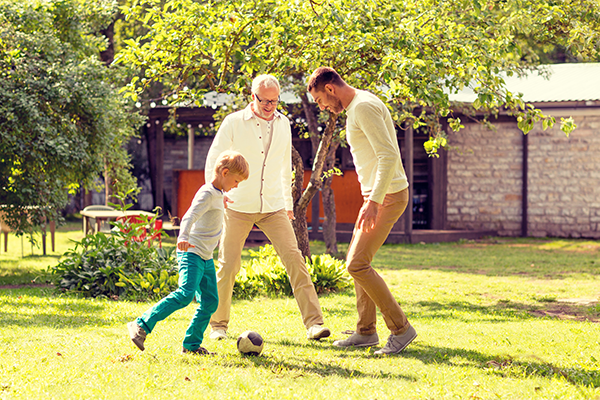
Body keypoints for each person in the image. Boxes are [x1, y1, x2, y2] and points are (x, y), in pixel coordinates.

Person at [205, 74, 330, 341]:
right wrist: (215, 193)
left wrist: (287, 203)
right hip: (237, 205)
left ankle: (314, 324)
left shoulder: (283, 124)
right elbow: (214, 158)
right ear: (253, 97)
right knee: (228, 265)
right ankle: (218, 326)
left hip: (273, 205)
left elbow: (284, 167)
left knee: (295, 259)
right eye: (265, 101)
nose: (270, 106)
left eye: (275, 101)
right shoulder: (234, 123)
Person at [307, 67, 417, 355]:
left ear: (330, 89)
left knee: (357, 264)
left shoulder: (364, 107)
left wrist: (374, 201)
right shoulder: (357, 107)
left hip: (388, 196)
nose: (322, 106)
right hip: (376, 196)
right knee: (357, 263)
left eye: (320, 100)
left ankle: (401, 329)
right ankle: (365, 332)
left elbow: (388, 155)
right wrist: (370, 197)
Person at [127, 151, 249, 355]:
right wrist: (182, 237)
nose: (236, 185)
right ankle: (141, 324)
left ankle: (191, 345)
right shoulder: (207, 193)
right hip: (191, 251)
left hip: (205, 256)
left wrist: (223, 202)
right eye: (236, 181)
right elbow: (189, 215)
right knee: (185, 294)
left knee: (210, 301)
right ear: (225, 172)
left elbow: (213, 206)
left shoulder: (217, 194)